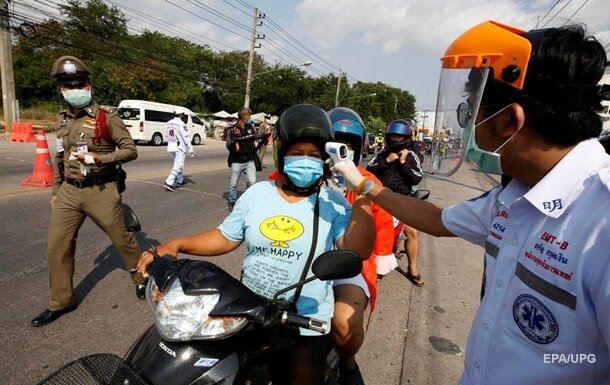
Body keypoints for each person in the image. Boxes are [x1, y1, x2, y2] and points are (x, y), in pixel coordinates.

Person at [332, 21, 610, 385]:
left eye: (470, 113)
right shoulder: (514, 195)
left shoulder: (600, 222)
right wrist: (365, 187)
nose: (467, 126)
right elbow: (436, 219)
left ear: (510, 120)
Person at [137, 104, 374, 385]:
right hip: (250, 314)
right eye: (297, 153)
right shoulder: (257, 193)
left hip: (305, 324)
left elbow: (357, 249)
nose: (306, 160)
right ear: (281, 154)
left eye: (314, 155)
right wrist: (177, 244)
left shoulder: (332, 203)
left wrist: (362, 193)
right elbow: (226, 236)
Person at [31, 55, 147, 327]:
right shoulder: (62, 120)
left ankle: (141, 277)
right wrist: (56, 189)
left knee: (122, 240)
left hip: (101, 190)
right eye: (68, 85)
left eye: (79, 83)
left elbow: (130, 150)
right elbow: (61, 157)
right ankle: (61, 302)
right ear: (61, 89)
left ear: (89, 86)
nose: (75, 89)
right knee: (57, 246)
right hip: (69, 192)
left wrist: (99, 159)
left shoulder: (106, 117)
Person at [327, 107, 395, 385]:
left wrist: (381, 259)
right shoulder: (302, 174)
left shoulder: (369, 183)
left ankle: (348, 361)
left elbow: (383, 226)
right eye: (334, 142)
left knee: (345, 323)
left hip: (350, 260)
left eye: (349, 145)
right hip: (301, 254)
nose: (341, 150)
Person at [366, 119, 424, 286]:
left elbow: (416, 178)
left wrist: (403, 162)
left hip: (402, 200)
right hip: (379, 199)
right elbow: (368, 171)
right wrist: (387, 161)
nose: (395, 140)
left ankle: (412, 268)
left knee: (412, 232)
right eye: (393, 136)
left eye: (399, 137)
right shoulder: (382, 154)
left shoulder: (411, 155)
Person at [226, 107, 265, 209]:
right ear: (244, 116)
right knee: (233, 183)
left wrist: (263, 135)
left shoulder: (250, 127)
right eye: (249, 115)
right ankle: (232, 201)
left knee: (251, 182)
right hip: (237, 161)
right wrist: (235, 138)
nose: (250, 117)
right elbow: (228, 145)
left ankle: (247, 200)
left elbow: (255, 136)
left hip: (249, 160)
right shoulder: (232, 129)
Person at [163, 109, 194, 191]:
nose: (183, 115)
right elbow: (186, 137)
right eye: (183, 114)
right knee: (178, 165)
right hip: (179, 146)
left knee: (177, 163)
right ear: (180, 114)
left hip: (171, 145)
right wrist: (190, 147)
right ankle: (169, 182)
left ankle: (180, 180)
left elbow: (166, 134)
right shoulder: (181, 124)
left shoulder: (168, 122)